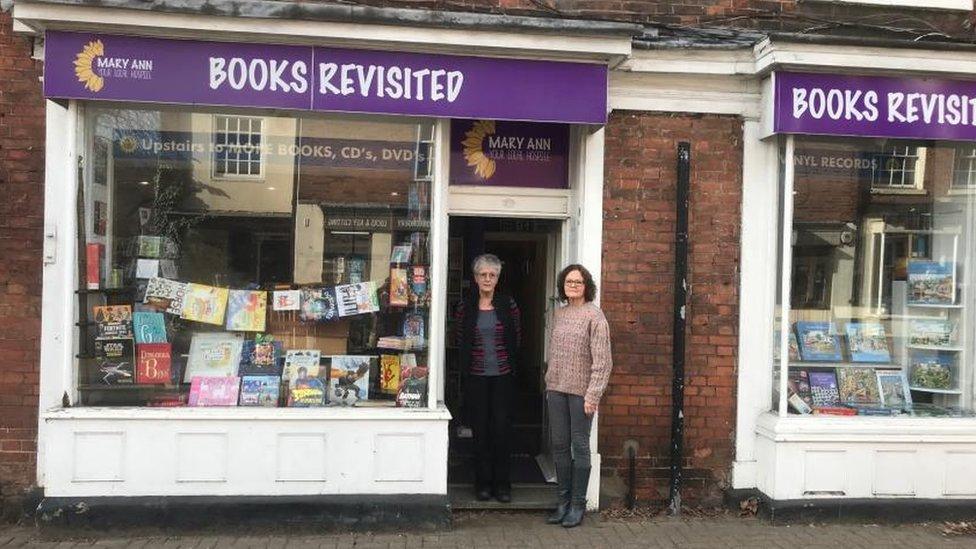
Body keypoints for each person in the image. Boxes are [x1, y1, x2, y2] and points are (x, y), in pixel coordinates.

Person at [545, 264, 612, 528]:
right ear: (563, 285)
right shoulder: (560, 314)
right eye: (569, 282)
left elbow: (603, 361)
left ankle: (577, 504)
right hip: (557, 390)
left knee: (580, 447)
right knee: (559, 446)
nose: (572, 286)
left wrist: (592, 395)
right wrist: (549, 380)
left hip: (581, 393)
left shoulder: (595, 317)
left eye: (578, 282)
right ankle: (562, 502)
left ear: (587, 286)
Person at [454, 253, 521, 503]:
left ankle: (503, 485)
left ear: (498, 278)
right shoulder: (465, 306)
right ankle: (482, 484)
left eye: (492, 275)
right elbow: (460, 339)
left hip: (503, 377)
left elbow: (517, 337)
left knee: (501, 430)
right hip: (476, 378)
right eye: (483, 274)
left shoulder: (508, 304)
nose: (487, 279)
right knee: (480, 431)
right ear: (475, 278)